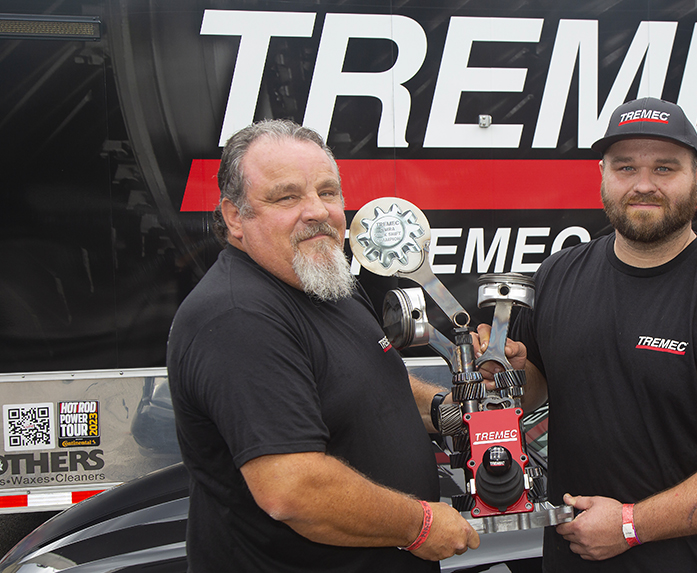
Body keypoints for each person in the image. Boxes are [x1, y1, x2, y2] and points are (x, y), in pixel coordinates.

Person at [479, 97, 697, 571]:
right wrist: (512, 373)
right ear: (602, 174)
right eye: (625, 167)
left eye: (664, 168)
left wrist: (631, 524)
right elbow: (536, 388)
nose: (643, 185)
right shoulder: (558, 275)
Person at [167, 119, 479, 572]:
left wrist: (451, 411)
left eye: (328, 192)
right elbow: (294, 490)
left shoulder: (325, 279)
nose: (317, 211)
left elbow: (370, 382)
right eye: (286, 196)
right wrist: (421, 525)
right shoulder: (239, 317)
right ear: (235, 217)